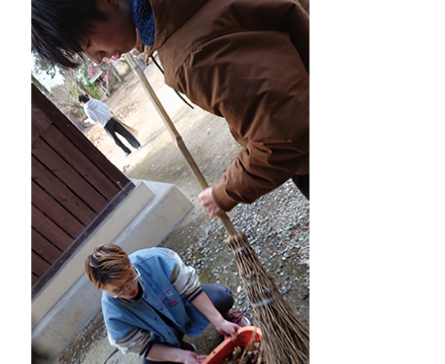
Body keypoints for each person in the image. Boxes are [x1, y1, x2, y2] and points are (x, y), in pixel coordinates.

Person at [32, 0, 310, 217]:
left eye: (88, 43)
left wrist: (226, 192)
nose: (97, 58)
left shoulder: (192, 57)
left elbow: (284, 137)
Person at [84, 244, 251, 364]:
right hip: (160, 337)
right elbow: (142, 347)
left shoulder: (156, 259)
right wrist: (181, 357)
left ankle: (227, 320)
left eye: (130, 277)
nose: (129, 288)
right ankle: (184, 350)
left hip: (184, 310)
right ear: (103, 289)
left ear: (129, 262)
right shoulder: (112, 314)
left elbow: (191, 291)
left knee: (222, 296)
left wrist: (219, 321)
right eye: (118, 289)